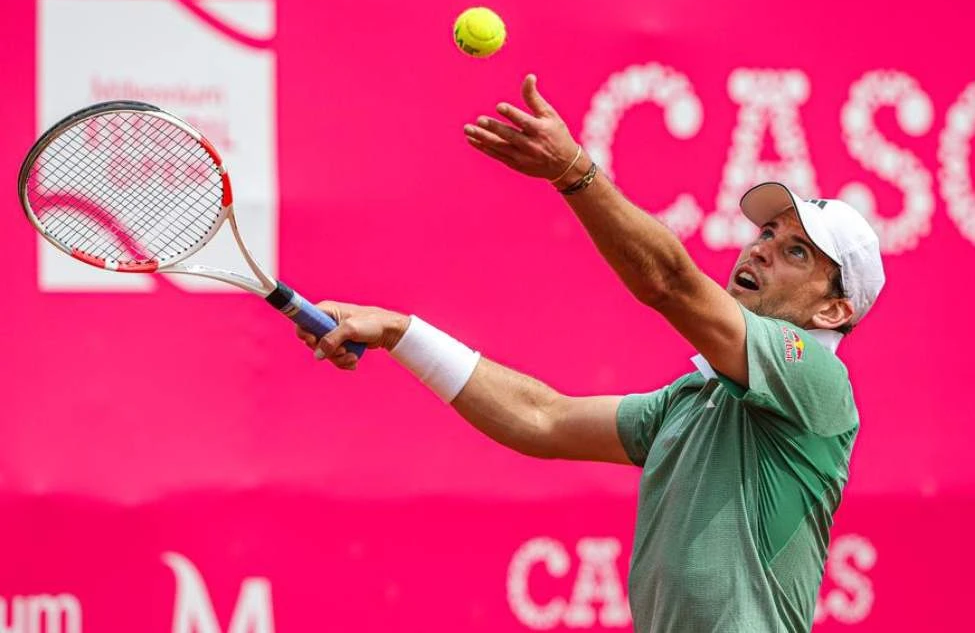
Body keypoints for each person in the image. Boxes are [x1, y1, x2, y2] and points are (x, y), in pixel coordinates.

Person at [297, 75, 885, 633]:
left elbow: (670, 284)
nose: (760, 251)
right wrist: (401, 331)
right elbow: (542, 418)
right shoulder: (693, 398)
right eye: (766, 234)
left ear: (832, 312)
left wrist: (573, 171)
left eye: (797, 252)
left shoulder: (817, 381)